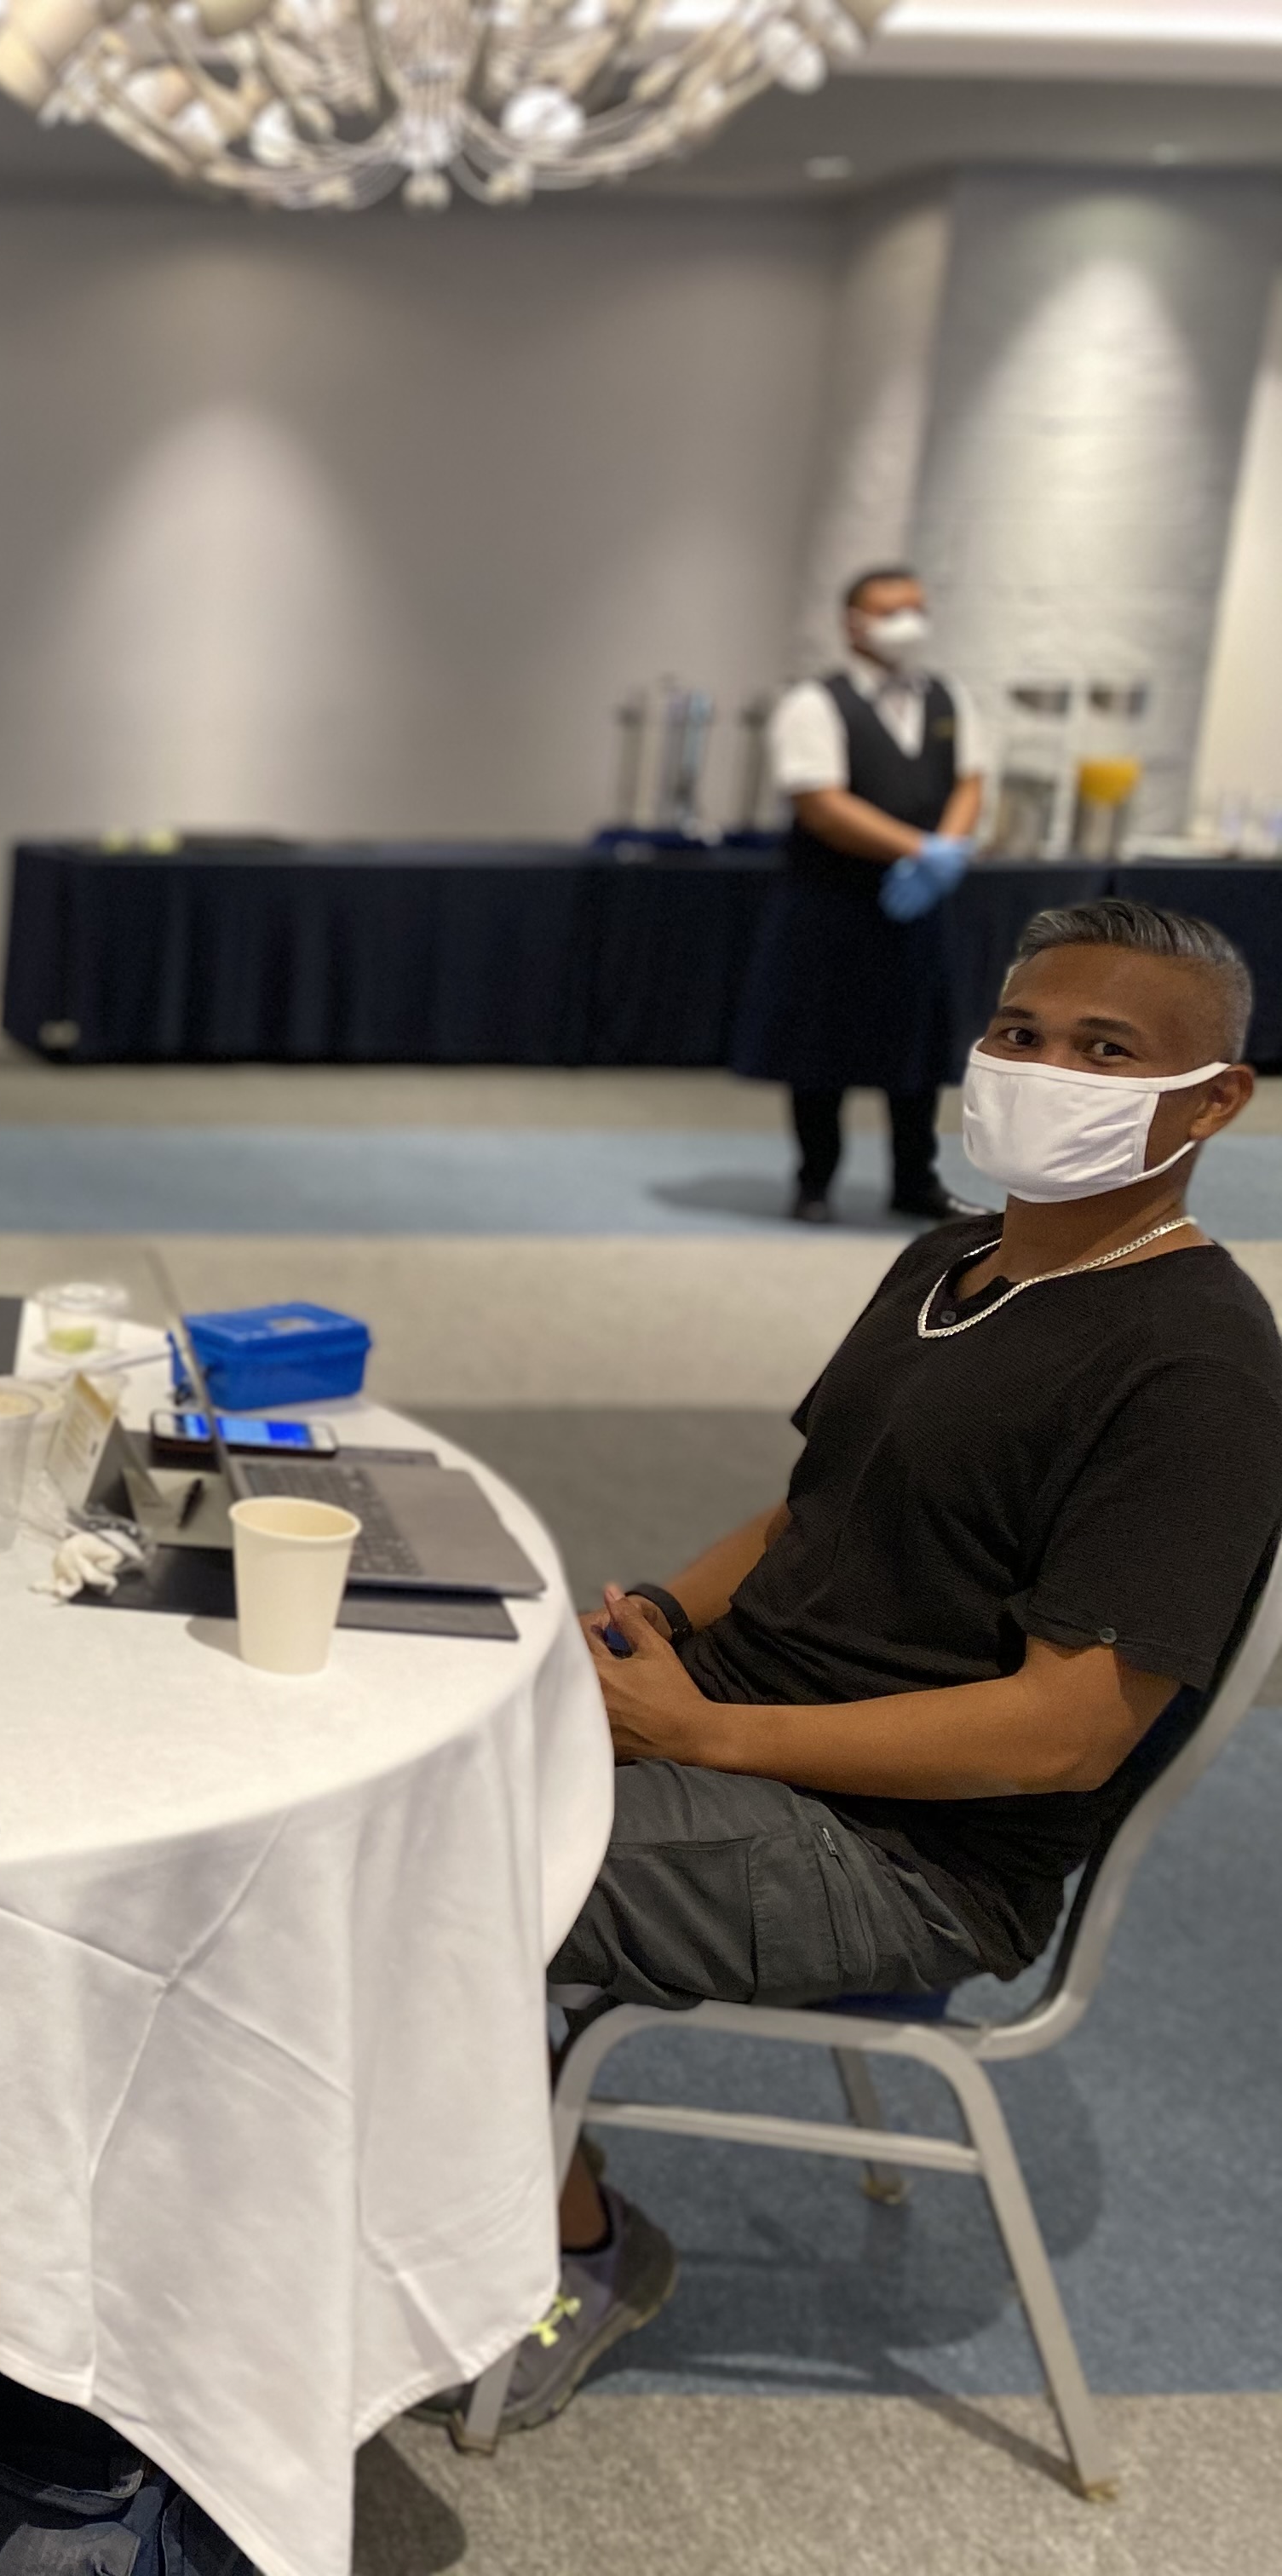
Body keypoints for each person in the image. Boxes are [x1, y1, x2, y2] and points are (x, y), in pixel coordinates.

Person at [458, 899, 1282, 2436]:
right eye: (1019, 1032)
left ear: (1216, 1095)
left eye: (1105, 1048)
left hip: (908, 1855)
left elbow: (1062, 1731)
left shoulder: (1199, 1362)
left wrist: (709, 1732)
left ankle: (579, 2242)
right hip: (750, 1724)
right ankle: (420, 2155)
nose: (1043, 1068)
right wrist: (647, 1628)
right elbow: (805, 1509)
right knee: (389, 1734)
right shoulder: (949, 1251)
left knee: (429, 1864)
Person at [733, 564, 991, 1225]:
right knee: (821, 1049)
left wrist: (948, 853)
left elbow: (969, 781)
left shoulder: (948, 696)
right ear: (854, 621)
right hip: (830, 903)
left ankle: (915, 1180)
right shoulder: (814, 703)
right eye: (890, 610)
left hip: (920, 905)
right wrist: (915, 849)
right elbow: (820, 802)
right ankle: (814, 1181)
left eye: (916, 608)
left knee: (917, 1049)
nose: (907, 623)